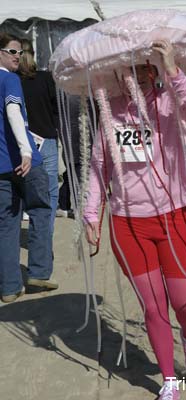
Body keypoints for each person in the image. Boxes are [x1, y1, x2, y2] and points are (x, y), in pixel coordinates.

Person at [84, 39, 186, 400]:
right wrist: (91, 213)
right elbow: (98, 165)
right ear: (119, 72)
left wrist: (173, 69)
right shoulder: (110, 113)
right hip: (129, 224)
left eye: (145, 67)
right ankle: (169, 381)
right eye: (129, 68)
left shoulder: (171, 100)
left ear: (153, 70)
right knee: (154, 306)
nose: (137, 74)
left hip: (175, 218)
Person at [0, 33, 58, 304]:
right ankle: (38, 272)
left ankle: (10, 286)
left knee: (7, 224)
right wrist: (25, 150)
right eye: (12, 51)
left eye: (20, 52)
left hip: (1, 166)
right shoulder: (10, 79)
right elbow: (13, 111)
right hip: (24, 160)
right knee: (42, 211)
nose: (17, 56)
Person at [18, 38, 59, 233]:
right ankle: (45, 235)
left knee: (20, 189)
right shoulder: (45, 78)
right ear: (34, 54)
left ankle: (18, 232)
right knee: (49, 190)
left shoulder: (11, 80)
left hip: (20, 142)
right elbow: (56, 109)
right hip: (46, 140)